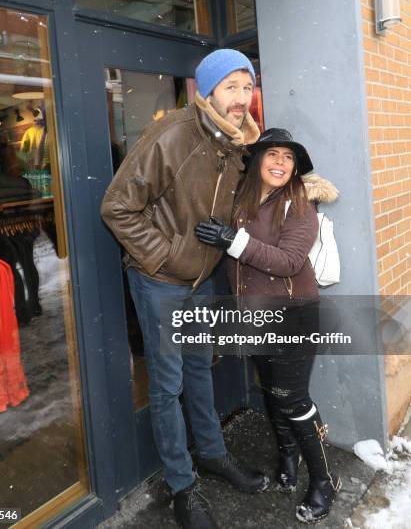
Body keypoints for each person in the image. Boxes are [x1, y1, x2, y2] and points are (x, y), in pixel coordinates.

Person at [101, 49, 269, 529]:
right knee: (168, 384)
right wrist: (169, 257)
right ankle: (182, 485)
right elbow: (117, 207)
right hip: (161, 281)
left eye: (246, 86)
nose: (241, 98)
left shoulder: (239, 145)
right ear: (208, 90)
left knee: (200, 372)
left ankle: (213, 455)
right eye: (231, 87)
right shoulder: (174, 134)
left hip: (202, 279)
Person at [195, 128, 341, 524]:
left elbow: (290, 261)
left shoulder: (299, 202)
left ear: (295, 168)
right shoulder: (240, 199)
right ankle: (288, 457)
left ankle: (324, 480)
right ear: (257, 160)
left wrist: (233, 241)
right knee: (272, 392)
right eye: (272, 154)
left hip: (294, 313)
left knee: (291, 398)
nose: (280, 163)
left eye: (288, 157)